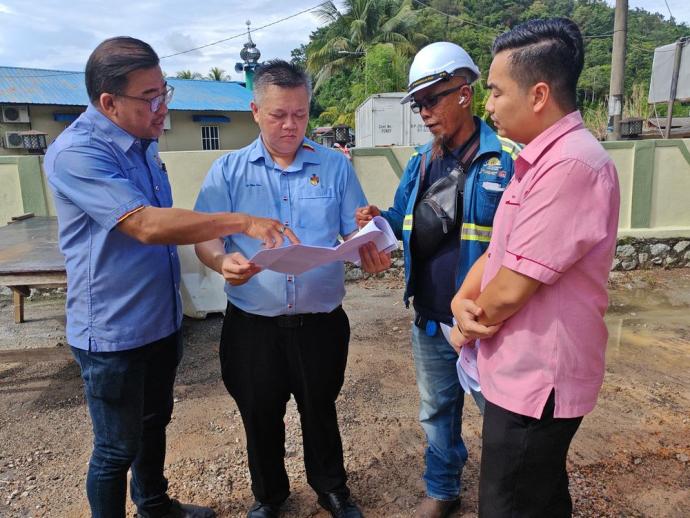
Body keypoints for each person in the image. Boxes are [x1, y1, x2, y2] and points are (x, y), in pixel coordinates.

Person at [44, 37, 294, 518]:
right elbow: (145, 224)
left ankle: (155, 506)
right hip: (112, 331)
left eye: (166, 93)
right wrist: (240, 222)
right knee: (116, 448)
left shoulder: (142, 146)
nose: (162, 108)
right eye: (150, 98)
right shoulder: (78, 153)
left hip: (158, 319)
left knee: (154, 423)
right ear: (109, 102)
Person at [450, 18, 620, 517]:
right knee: (537, 497)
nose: (487, 105)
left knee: (511, 504)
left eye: (497, 92)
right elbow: (497, 252)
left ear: (539, 94)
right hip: (518, 372)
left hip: (537, 382)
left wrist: (468, 320)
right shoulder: (537, 161)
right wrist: (462, 299)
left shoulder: (572, 165)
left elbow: (510, 289)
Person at [193, 60, 367, 518]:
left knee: (321, 408)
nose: (291, 125)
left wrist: (368, 243)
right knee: (260, 414)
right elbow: (205, 235)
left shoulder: (334, 167)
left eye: (301, 114)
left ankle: (332, 489)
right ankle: (269, 497)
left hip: (320, 323)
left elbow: (354, 232)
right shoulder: (228, 171)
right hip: (253, 326)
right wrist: (219, 260)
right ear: (255, 111)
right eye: (278, 115)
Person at [356, 42, 518, 518]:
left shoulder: (506, 160)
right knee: (436, 414)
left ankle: (506, 500)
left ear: (465, 93)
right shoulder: (420, 164)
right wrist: (374, 220)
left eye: (433, 100)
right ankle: (442, 491)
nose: (424, 113)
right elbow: (401, 217)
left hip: (488, 322)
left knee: (502, 421)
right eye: (418, 104)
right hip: (431, 318)